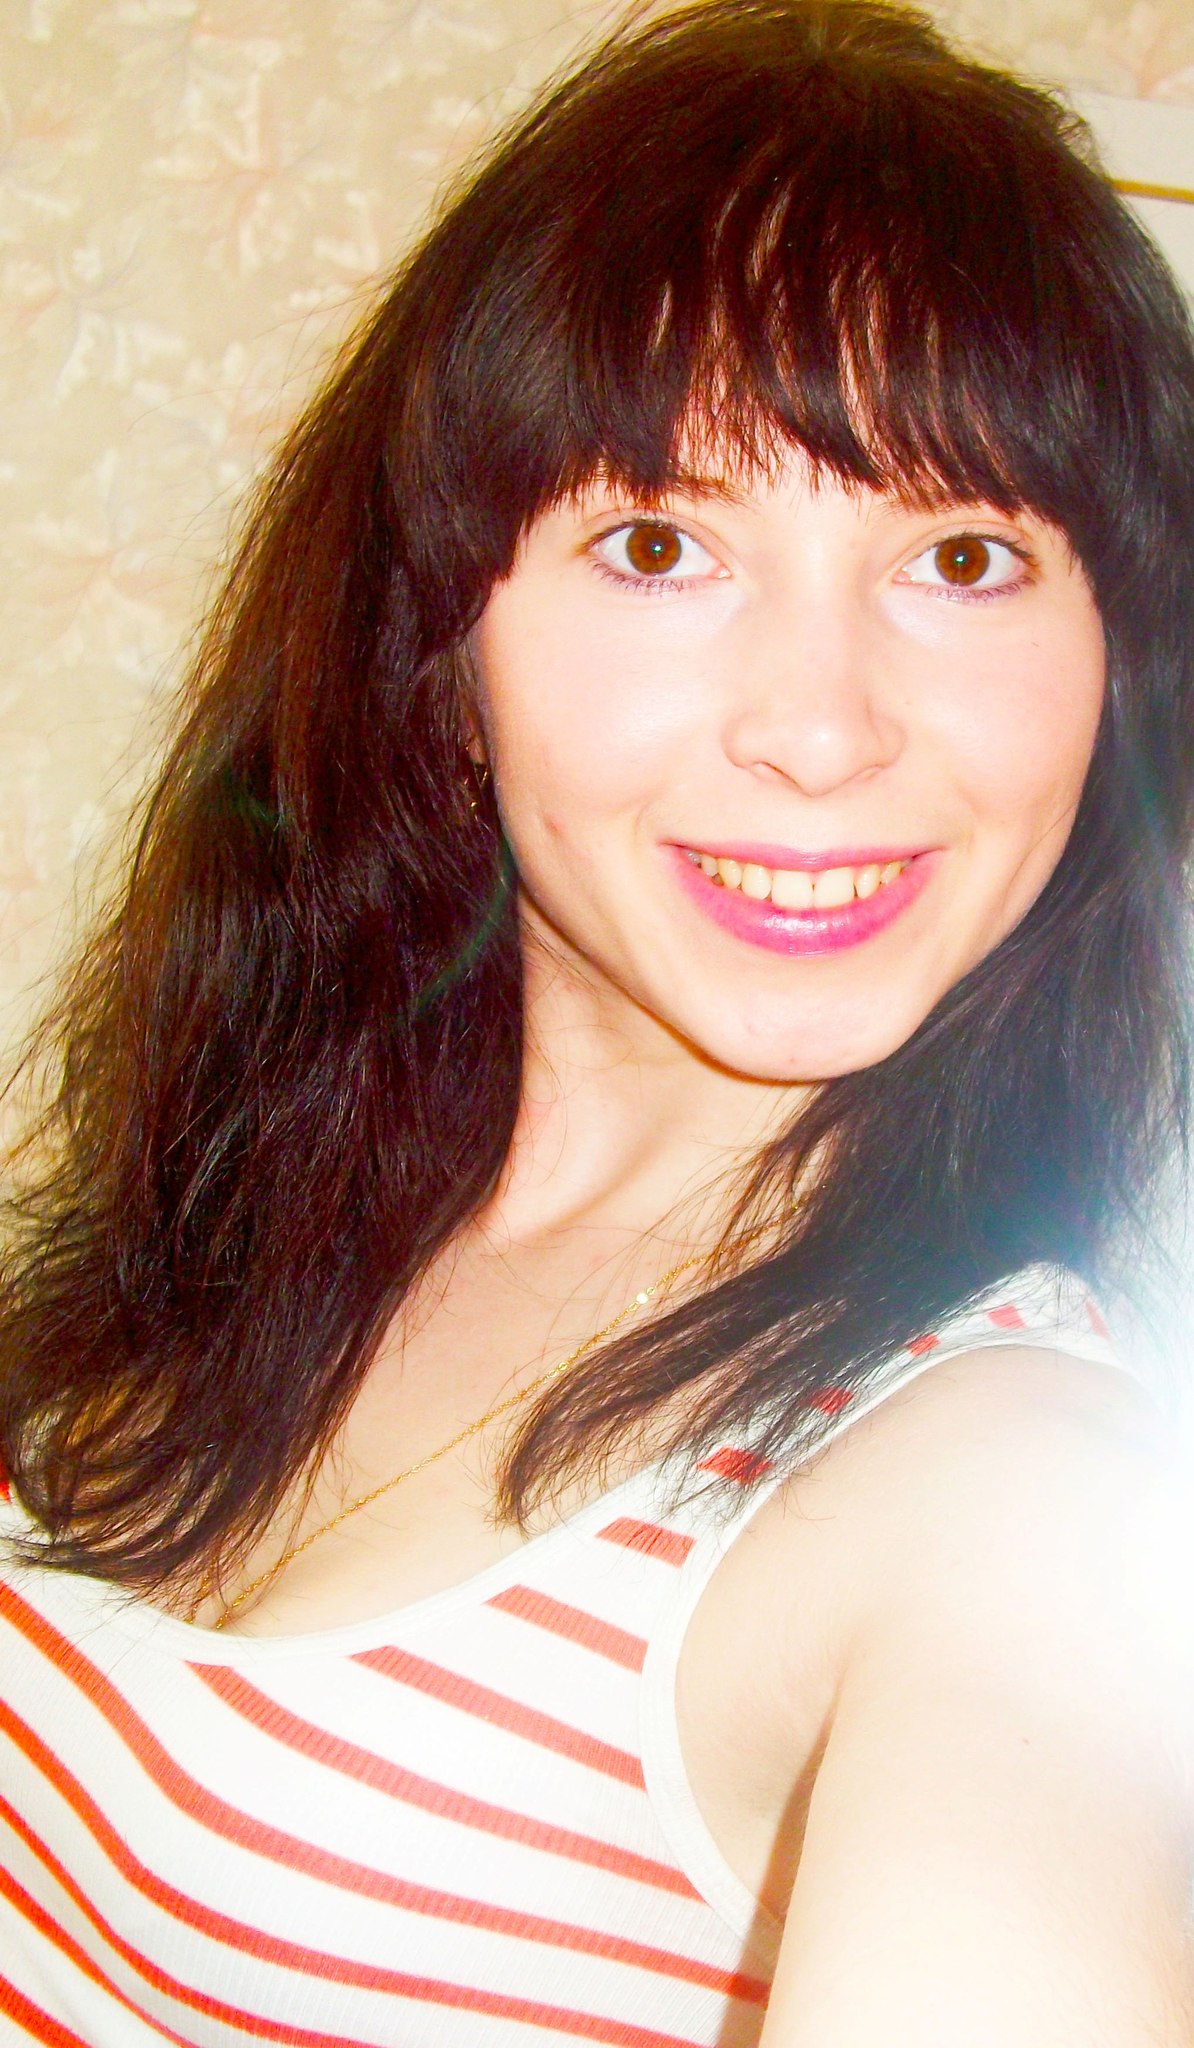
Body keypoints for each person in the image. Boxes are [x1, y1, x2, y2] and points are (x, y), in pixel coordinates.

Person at [2, 0, 1194, 2040]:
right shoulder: (261, 1187)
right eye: (659, 544)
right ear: (441, 646)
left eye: (964, 555)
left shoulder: (1018, 1494)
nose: (819, 728)